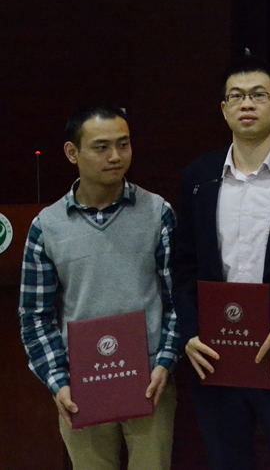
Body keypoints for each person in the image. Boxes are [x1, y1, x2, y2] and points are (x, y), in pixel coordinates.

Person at [171, 57, 270, 470]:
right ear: (224, 109)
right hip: (216, 354)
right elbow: (183, 265)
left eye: (258, 95)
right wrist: (191, 333)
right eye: (236, 96)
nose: (247, 104)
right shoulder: (199, 176)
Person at [19, 102, 180, 470]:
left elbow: (176, 300)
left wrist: (165, 363)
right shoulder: (47, 226)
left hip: (150, 383)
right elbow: (35, 316)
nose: (116, 156)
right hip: (81, 387)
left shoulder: (157, 212)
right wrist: (59, 381)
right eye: (101, 147)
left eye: (123, 144)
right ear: (72, 152)